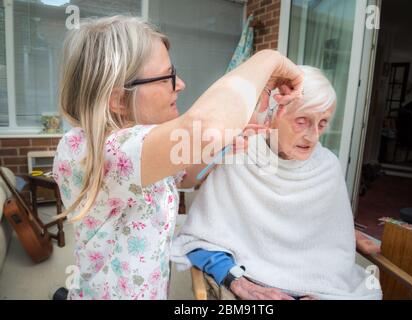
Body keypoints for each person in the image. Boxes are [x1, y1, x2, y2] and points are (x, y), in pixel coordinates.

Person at [52, 15, 303, 300]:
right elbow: (206, 128)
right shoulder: (93, 149)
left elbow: (185, 176)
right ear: (119, 99)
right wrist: (268, 58)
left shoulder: (144, 141)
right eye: (168, 76)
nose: (181, 84)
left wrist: (225, 145)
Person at [171, 66, 382, 300]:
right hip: (254, 281)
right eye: (302, 121)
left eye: (322, 123)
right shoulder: (240, 155)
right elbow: (202, 239)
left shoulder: (327, 166)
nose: (313, 136)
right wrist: (236, 281)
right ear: (274, 115)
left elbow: (334, 247)